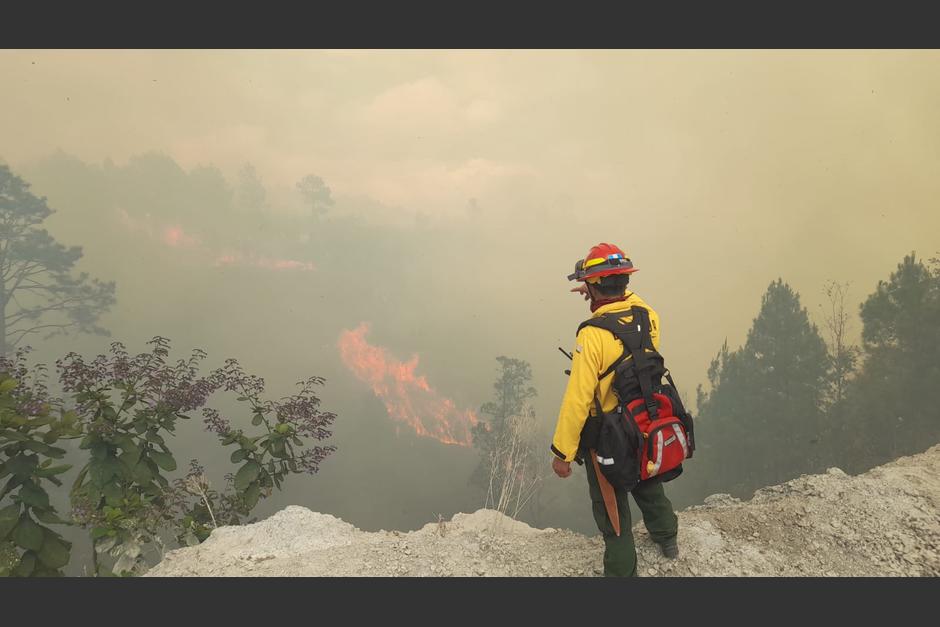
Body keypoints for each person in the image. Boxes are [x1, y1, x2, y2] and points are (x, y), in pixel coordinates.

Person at [550, 242, 679, 577]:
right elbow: (630, 302)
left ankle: (621, 572)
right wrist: (600, 288)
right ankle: (667, 537)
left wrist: (563, 453)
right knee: (647, 479)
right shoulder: (648, 316)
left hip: (608, 434)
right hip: (644, 419)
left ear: (593, 286)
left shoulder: (592, 335)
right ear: (625, 281)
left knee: (611, 507)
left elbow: (578, 398)